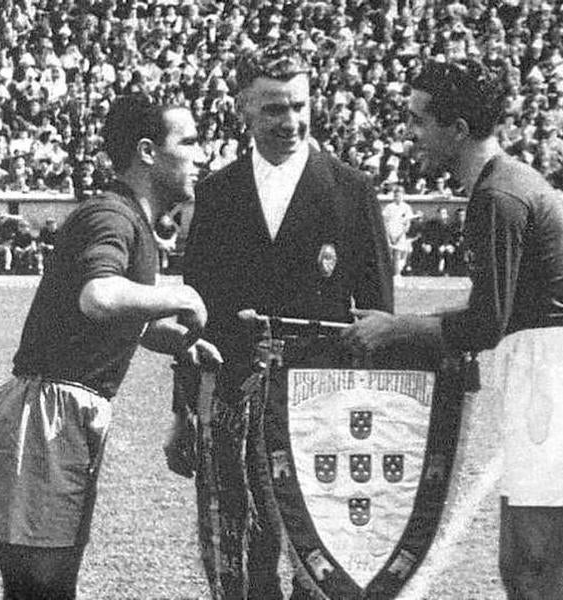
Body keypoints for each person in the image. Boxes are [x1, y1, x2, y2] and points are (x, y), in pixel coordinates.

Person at [342, 58, 563, 600]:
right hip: (542, 375)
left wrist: (397, 329)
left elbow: (486, 322)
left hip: (557, 382)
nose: (409, 133)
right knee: (521, 567)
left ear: (458, 129)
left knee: (536, 567)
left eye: (419, 120)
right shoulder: (495, 188)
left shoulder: (499, 196)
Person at [0, 94, 220, 600]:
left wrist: (176, 342)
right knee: (42, 589)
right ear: (148, 152)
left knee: (47, 587)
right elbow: (99, 297)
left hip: (60, 413)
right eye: (188, 141)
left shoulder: (129, 219)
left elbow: (115, 320)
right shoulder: (112, 216)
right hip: (48, 415)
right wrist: (180, 297)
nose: (202, 154)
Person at [179, 44, 393, 599]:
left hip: (321, 408)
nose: (290, 121)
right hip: (234, 404)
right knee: (245, 555)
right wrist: (183, 413)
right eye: (274, 108)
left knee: (320, 562)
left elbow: (379, 315)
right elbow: (194, 316)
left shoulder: (352, 191)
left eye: (300, 105)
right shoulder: (217, 194)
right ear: (243, 109)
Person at [381, 184, 417, 280]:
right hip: (390, 233)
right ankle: (387, 274)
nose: (398, 198)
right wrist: (389, 235)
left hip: (400, 234)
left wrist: (399, 235)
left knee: (397, 254)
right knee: (388, 255)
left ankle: (397, 275)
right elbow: (385, 222)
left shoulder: (406, 207)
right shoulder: (389, 207)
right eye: (396, 195)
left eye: (400, 195)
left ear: (403, 196)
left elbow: (407, 223)